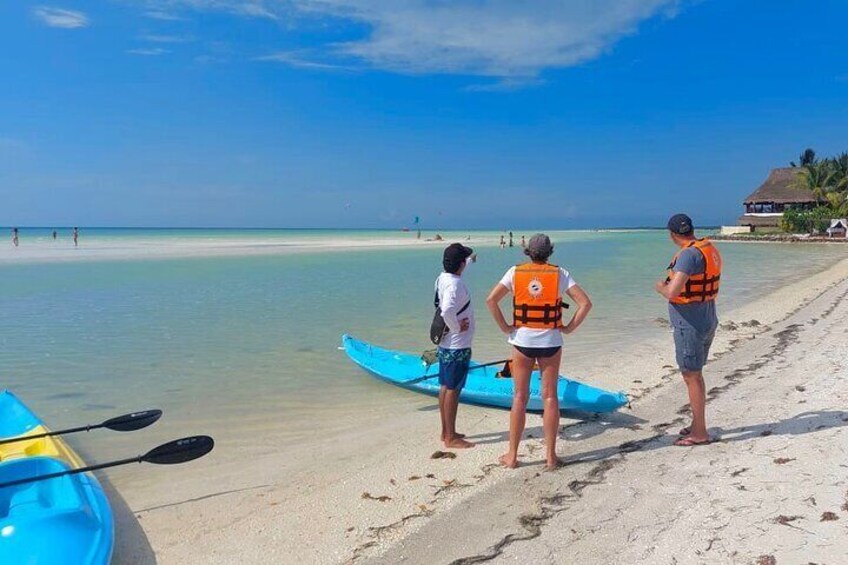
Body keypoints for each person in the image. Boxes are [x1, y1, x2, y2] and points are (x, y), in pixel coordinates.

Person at [486, 234, 592, 470]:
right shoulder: (560, 274)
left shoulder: (515, 272)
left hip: (522, 340)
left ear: (528, 252)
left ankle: (512, 456)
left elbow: (491, 300)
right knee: (550, 397)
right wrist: (569, 328)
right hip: (551, 342)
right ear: (549, 252)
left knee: (519, 397)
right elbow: (585, 303)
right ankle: (551, 457)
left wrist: (505, 327)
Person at [654, 214, 721, 447]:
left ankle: (700, 432)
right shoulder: (706, 248)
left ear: (672, 235)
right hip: (707, 317)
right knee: (696, 374)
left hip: (690, 324)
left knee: (691, 375)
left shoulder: (688, 256)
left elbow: (673, 292)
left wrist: (661, 287)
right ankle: (697, 424)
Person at [435, 243, 477, 449]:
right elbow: (447, 311)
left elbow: (463, 263)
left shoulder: (443, 277)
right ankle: (451, 438)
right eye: (465, 260)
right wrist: (457, 328)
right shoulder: (454, 285)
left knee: (445, 386)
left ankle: (446, 431)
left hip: (446, 344)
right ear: (460, 264)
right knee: (453, 389)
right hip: (457, 345)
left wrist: (471, 259)